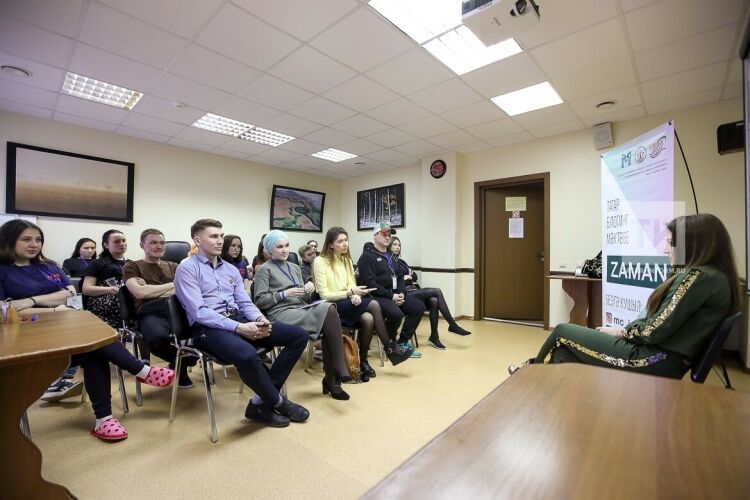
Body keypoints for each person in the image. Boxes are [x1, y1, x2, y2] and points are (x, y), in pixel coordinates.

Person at [0, 220, 174, 441]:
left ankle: (104, 419)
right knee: (96, 341)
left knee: (94, 348)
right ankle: (140, 373)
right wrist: (53, 308)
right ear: (8, 240)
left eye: (38, 239)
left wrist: (29, 301)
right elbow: (5, 310)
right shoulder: (4, 271)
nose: (34, 244)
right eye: (26, 239)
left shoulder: (49, 266)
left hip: (63, 328)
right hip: (24, 336)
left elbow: (70, 292)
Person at [510, 214, 740, 379]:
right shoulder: (714, 277)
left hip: (654, 359)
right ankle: (542, 386)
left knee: (561, 332)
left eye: (671, 244)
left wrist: (621, 332)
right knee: (562, 353)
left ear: (694, 245)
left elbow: (654, 330)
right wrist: (626, 332)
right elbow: (661, 324)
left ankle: (528, 376)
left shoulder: (697, 277)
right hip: (663, 355)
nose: (665, 250)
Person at [175, 219, 309, 427]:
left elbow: (245, 302)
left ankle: (259, 403)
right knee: (247, 354)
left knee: (298, 336)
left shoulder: (230, 269)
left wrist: (260, 319)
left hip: (238, 319)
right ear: (197, 241)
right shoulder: (187, 269)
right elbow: (199, 312)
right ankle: (278, 402)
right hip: (207, 328)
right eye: (214, 236)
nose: (220, 241)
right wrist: (238, 328)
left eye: (221, 236)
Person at [254, 230, 352, 400]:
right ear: (270, 250)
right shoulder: (264, 270)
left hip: (300, 308)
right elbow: (260, 301)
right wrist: (283, 294)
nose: (285, 250)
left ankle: (334, 375)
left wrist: (308, 290)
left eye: (286, 246)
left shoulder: (294, 268)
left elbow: (304, 298)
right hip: (281, 312)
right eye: (279, 247)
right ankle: (336, 375)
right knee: (328, 321)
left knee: (329, 309)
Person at [314, 227, 413, 380]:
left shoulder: (346, 260)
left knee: (368, 318)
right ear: (331, 244)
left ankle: (363, 361)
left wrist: (356, 296)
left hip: (347, 302)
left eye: (346, 240)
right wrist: (350, 293)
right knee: (373, 304)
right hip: (330, 306)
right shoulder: (320, 261)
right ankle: (390, 348)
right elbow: (324, 295)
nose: (345, 244)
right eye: (340, 241)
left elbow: (351, 285)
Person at [124, 229, 194, 388]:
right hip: (151, 310)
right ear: (142, 245)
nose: (159, 246)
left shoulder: (175, 266)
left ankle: (181, 366)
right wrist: (174, 285)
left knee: (202, 333)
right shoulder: (132, 266)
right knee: (157, 338)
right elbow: (140, 293)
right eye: (153, 242)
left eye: (162, 243)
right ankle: (181, 363)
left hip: (179, 308)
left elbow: (190, 289)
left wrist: (151, 289)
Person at [388, 237, 471, 350]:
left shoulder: (401, 262)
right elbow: (393, 280)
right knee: (437, 291)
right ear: (389, 246)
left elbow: (414, 275)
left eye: (399, 245)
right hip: (404, 293)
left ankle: (434, 337)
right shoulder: (389, 262)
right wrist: (405, 277)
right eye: (394, 244)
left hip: (413, 290)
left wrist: (407, 276)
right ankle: (453, 325)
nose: (397, 247)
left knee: (434, 301)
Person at [357, 222, 425, 358]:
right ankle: (390, 345)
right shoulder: (367, 257)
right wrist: (391, 296)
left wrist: (401, 293)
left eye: (389, 234)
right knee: (396, 314)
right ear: (375, 235)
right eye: (384, 234)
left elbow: (399, 276)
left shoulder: (392, 256)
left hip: (394, 294)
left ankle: (402, 341)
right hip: (376, 296)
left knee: (418, 307)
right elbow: (370, 283)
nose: (387, 237)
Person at [82, 229, 130, 329]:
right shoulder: (98, 263)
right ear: (106, 245)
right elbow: (86, 289)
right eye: (117, 241)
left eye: (124, 240)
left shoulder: (132, 264)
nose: (122, 244)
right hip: (106, 299)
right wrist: (109, 289)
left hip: (128, 297)